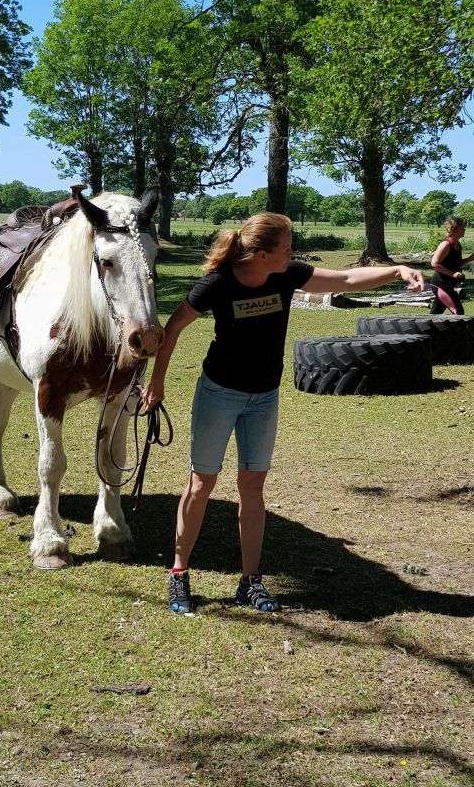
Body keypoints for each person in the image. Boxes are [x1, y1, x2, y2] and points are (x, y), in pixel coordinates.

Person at [142, 212, 425, 614]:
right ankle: (178, 572)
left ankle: (250, 581)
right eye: (286, 247)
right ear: (260, 254)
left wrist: (396, 270)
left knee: (252, 487)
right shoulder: (217, 285)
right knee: (201, 483)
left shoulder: (286, 274)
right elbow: (173, 329)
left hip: (264, 397)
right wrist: (157, 382)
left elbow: (344, 280)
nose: (293, 253)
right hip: (219, 394)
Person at [430, 216, 473, 315]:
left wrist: (470, 258)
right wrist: (452, 274)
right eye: (463, 228)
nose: (465, 230)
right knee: (458, 312)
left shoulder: (457, 244)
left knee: (435, 315)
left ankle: (425, 330)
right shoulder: (445, 245)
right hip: (440, 284)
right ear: (456, 229)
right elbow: (434, 264)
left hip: (448, 284)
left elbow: (455, 264)